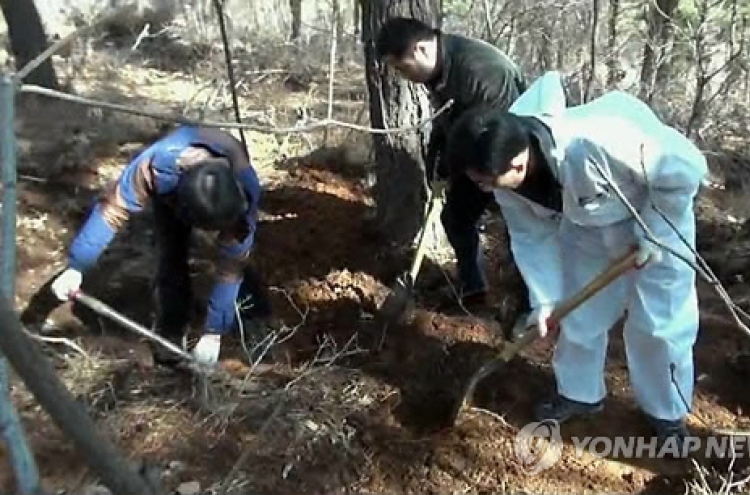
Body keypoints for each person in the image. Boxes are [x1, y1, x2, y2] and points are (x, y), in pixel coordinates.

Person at [443, 71, 707, 451]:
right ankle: (580, 392)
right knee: (579, 312)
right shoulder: (504, 178)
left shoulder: (600, 139)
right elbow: (531, 237)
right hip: (587, 227)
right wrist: (546, 300)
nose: (484, 188)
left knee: (660, 325)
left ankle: (666, 413)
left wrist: (656, 233)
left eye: (487, 180)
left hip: (655, 218)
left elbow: (683, 171)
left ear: (518, 163)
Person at [50, 125, 271, 366]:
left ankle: (255, 316)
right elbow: (112, 211)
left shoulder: (244, 190)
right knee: (172, 252)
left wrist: (213, 333)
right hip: (173, 192)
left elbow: (231, 265)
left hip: (223, 188)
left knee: (237, 258)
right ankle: (172, 330)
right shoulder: (154, 169)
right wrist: (77, 266)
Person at [375, 17, 527, 309]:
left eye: (401, 68)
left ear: (420, 50)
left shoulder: (481, 71)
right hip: (474, 156)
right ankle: (474, 291)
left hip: (510, 161)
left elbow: (490, 135)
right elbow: (451, 119)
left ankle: (528, 307)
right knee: (455, 218)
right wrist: (436, 157)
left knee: (521, 233)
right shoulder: (441, 68)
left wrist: (451, 166)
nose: (403, 77)